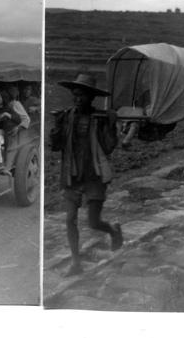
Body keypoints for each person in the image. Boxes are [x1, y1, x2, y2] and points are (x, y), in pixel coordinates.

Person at [49, 74, 123, 277]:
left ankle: (113, 231)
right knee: (70, 220)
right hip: (72, 175)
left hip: (94, 176)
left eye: (83, 95)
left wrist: (110, 125)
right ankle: (75, 263)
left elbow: (108, 148)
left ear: (91, 98)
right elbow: (55, 146)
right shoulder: (68, 116)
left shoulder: (100, 119)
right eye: (75, 95)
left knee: (93, 222)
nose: (78, 99)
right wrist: (56, 124)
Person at [0, 90, 22, 164]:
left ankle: (0, 159)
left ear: (3, 98)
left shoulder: (7, 109)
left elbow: (18, 119)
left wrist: (6, 114)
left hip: (3, 133)